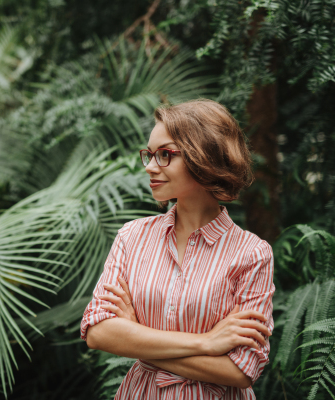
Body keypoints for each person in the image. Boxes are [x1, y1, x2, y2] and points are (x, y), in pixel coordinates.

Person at [80, 99, 275, 400]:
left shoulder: (252, 254)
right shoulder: (132, 237)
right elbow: (97, 332)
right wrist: (207, 343)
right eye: (149, 155)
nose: (149, 167)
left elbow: (241, 371)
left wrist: (135, 337)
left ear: (204, 156)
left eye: (164, 155)